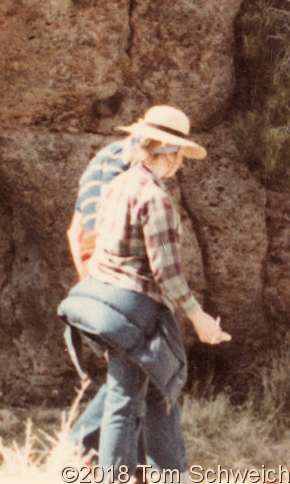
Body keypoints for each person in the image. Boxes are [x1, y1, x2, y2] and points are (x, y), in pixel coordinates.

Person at [58, 105, 231, 479]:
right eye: (180, 156)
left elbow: (86, 237)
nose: (181, 165)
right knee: (125, 399)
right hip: (136, 310)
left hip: (104, 301)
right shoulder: (156, 198)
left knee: (154, 389)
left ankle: (168, 474)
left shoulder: (116, 184)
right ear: (167, 152)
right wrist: (199, 318)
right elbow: (167, 273)